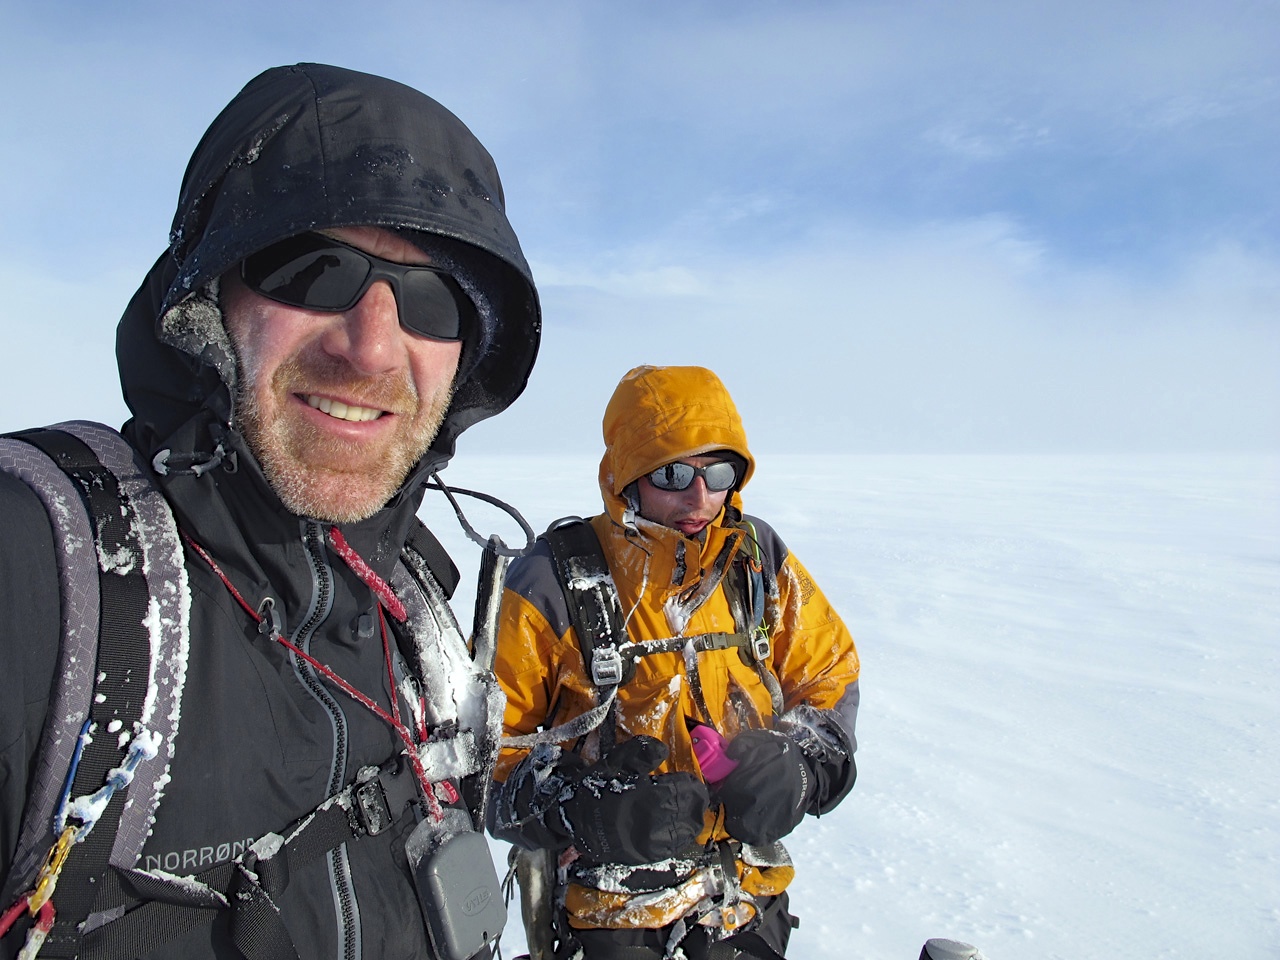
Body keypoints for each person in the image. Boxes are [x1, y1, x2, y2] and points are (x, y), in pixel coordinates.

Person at [0, 63, 539, 959]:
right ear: (207, 301)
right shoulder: (43, 575)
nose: (370, 347)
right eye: (312, 268)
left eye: (432, 301)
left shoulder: (418, 609)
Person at [488, 365, 860, 960]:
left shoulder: (755, 562)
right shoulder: (556, 581)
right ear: (624, 477)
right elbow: (485, 766)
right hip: (609, 922)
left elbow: (827, 677)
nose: (700, 497)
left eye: (719, 473)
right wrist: (584, 808)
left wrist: (805, 766)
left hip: (747, 906)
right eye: (671, 473)